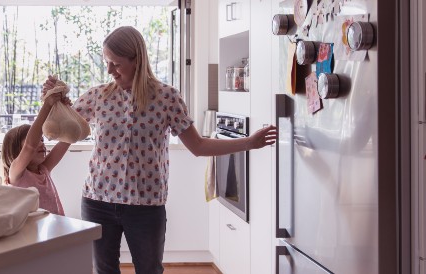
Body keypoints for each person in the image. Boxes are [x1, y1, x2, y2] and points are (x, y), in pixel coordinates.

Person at [43, 26, 277, 274]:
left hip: (146, 205)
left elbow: (198, 146)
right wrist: (51, 102)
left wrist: (248, 143)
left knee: (149, 270)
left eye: (116, 63)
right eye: (107, 62)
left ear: (136, 60)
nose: (109, 70)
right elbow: (61, 131)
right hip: (98, 199)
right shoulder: (98, 96)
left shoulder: (167, 98)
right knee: (104, 270)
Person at [1, 90, 71, 216]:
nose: (41, 144)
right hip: (32, 232)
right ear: (16, 149)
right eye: (37, 140)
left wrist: (64, 110)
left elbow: (68, 139)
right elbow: (30, 146)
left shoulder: (43, 169)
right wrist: (47, 105)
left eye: (42, 140)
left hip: (54, 229)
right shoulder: (16, 174)